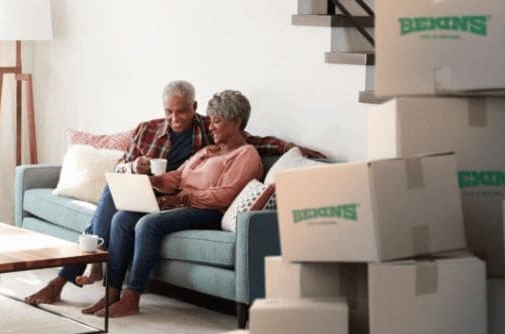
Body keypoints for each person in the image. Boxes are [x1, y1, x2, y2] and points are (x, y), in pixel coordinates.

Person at [23, 80, 321, 306]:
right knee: (115, 195)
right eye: (169, 112)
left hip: (181, 200)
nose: (175, 118)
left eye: (181, 111)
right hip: (155, 189)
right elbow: (127, 165)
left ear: (194, 108)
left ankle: (87, 271)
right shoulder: (152, 131)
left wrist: (289, 148)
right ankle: (88, 274)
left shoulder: (209, 131)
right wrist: (139, 172)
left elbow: (250, 142)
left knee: (131, 220)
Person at [82, 89, 262, 317]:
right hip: (182, 205)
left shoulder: (246, 155)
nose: (210, 127)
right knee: (122, 218)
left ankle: (132, 298)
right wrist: (153, 181)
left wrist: (182, 198)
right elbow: (178, 175)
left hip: (209, 211)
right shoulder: (208, 150)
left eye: (217, 122)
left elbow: (225, 195)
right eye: (211, 121)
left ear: (237, 122)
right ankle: (111, 292)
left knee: (148, 224)